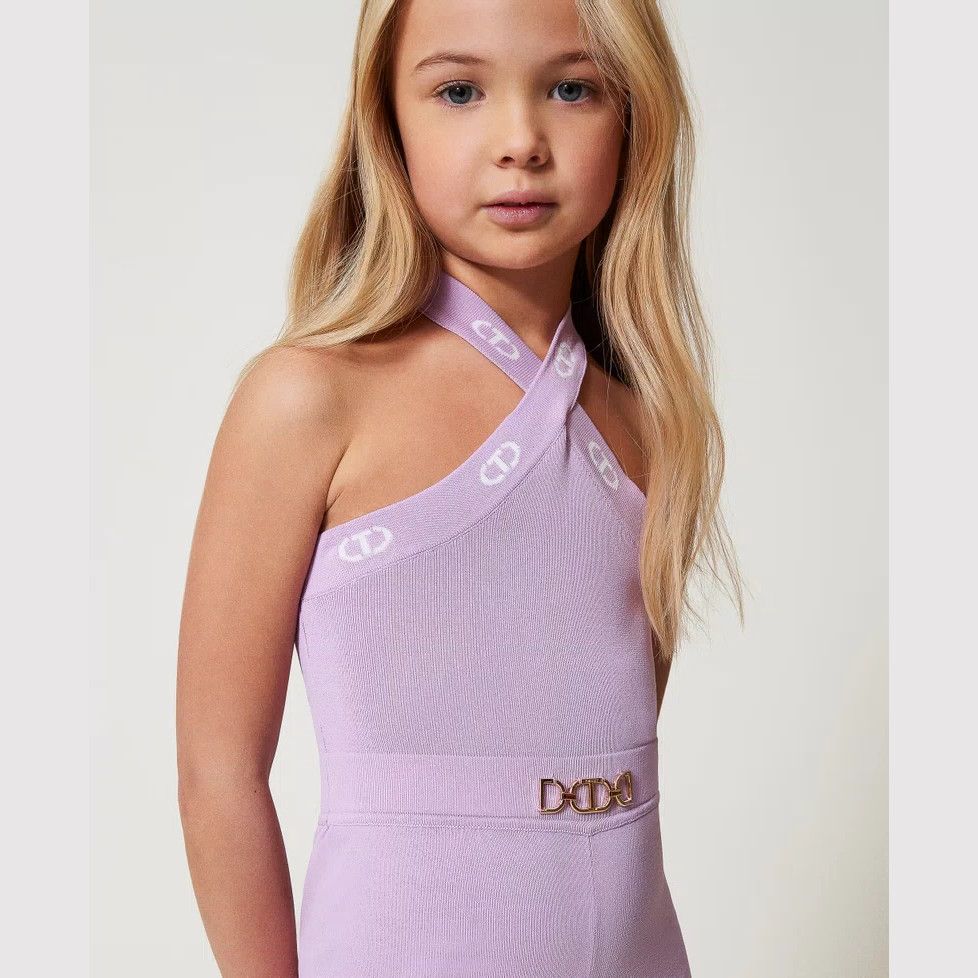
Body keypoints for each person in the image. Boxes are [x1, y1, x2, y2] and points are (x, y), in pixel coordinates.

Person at [176, 0, 745, 975]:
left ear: (635, 114)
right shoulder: (309, 400)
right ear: (386, 122)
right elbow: (216, 772)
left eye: (572, 88)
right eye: (459, 91)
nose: (520, 141)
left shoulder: (651, 423)